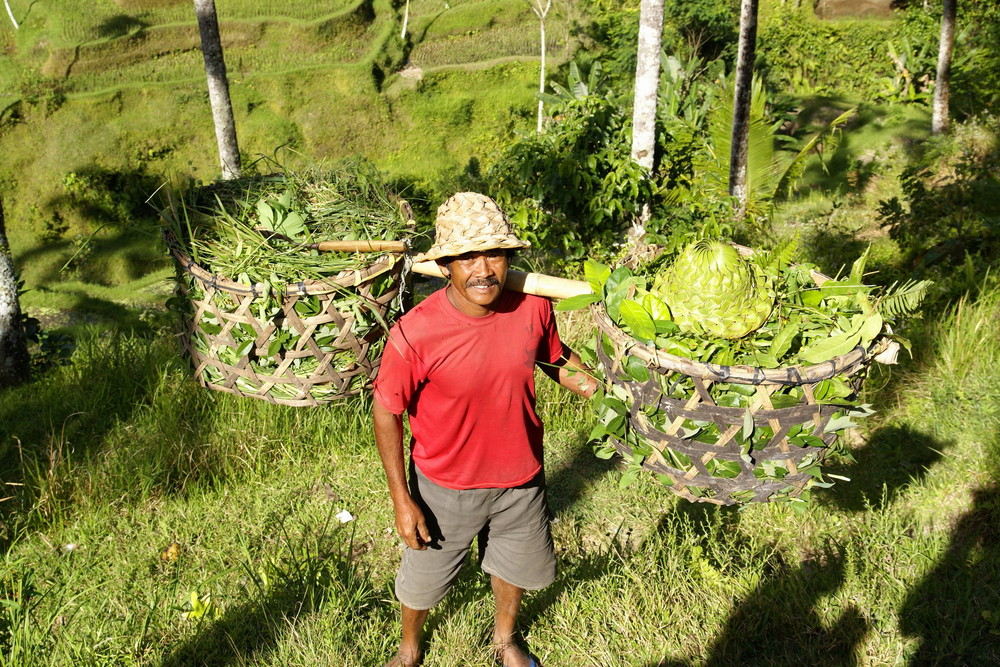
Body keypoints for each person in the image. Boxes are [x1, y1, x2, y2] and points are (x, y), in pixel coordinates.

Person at [373, 192, 596, 667]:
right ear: (447, 265)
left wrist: (606, 392)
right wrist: (401, 497)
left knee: (512, 564)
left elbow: (554, 358)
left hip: (521, 477)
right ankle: (409, 647)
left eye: (494, 253)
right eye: (467, 256)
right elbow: (386, 411)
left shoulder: (532, 309)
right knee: (425, 579)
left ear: (509, 257)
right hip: (445, 487)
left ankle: (504, 641)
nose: (483, 269)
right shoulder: (416, 333)